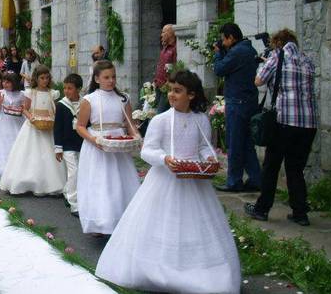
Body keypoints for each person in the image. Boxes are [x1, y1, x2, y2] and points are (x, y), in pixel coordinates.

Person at [96, 70, 241, 293]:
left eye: (177, 91)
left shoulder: (201, 119)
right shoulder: (160, 120)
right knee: (162, 223)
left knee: (194, 226)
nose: (172, 95)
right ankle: (157, 269)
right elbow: (147, 151)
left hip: (194, 180)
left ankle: (195, 270)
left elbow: (203, 146)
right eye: (170, 90)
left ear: (191, 95)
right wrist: (165, 159)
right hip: (165, 179)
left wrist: (210, 158)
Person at [245, 29, 318, 226]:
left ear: (278, 42)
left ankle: (262, 209)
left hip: (284, 120)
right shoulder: (307, 59)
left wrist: (264, 60)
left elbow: (258, 80)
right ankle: (300, 213)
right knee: (295, 168)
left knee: (271, 166)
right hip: (308, 123)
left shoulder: (277, 56)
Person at [75, 60, 141, 235]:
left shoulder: (123, 98)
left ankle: (122, 220)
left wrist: (136, 135)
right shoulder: (89, 100)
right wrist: (94, 140)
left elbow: (129, 123)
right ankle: (101, 223)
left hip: (118, 145)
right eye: (106, 77)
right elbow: (80, 126)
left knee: (120, 183)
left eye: (113, 77)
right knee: (100, 184)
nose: (111, 81)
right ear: (97, 79)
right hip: (97, 145)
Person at [0, 65, 66, 196]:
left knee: (48, 156)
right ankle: (27, 181)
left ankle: (50, 184)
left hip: (47, 127)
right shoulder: (30, 92)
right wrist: (31, 118)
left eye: (47, 78)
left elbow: (54, 109)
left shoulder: (53, 93)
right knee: (29, 154)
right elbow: (24, 109)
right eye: (42, 78)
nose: (45, 80)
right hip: (32, 127)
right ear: (36, 78)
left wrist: (52, 118)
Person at [213, 23, 261, 193]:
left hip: (237, 103)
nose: (222, 43)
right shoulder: (249, 50)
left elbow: (219, 69)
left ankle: (234, 181)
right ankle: (256, 179)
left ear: (231, 37)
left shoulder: (236, 52)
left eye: (224, 39)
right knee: (247, 143)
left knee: (234, 143)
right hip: (250, 102)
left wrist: (218, 54)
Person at [54, 74, 84, 215]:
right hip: (66, 145)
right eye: (65, 88)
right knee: (74, 172)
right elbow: (57, 127)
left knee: (79, 172)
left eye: (70, 88)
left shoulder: (85, 104)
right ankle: (74, 204)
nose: (66, 91)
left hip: (81, 143)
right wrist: (58, 148)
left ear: (78, 89)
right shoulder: (61, 105)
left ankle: (67, 192)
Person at [153, 24, 177, 113]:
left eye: (163, 32)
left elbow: (176, 67)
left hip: (167, 87)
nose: (161, 35)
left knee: (160, 113)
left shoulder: (175, 48)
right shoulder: (164, 47)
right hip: (158, 85)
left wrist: (168, 83)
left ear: (170, 34)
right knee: (156, 111)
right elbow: (161, 65)